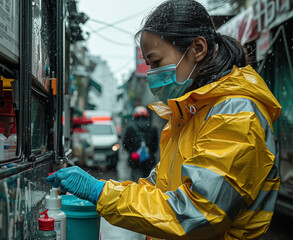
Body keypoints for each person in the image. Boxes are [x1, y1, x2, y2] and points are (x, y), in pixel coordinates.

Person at [47, 0, 282, 239]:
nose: (151, 75)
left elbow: (197, 213)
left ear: (197, 48)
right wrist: (101, 188)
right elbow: (160, 188)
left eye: (156, 62)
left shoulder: (236, 114)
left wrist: (100, 193)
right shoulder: (190, 114)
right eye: (148, 65)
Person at [123, 106, 158, 181]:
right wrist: (149, 153)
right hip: (149, 161)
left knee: (136, 182)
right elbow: (155, 146)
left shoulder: (130, 128)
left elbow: (125, 144)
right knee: (147, 182)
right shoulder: (153, 128)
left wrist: (132, 152)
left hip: (135, 161)